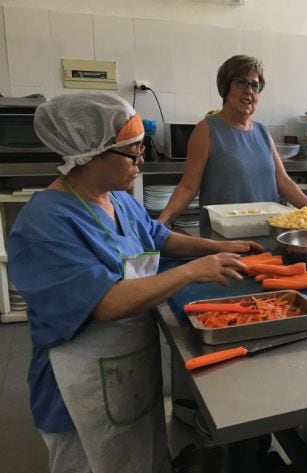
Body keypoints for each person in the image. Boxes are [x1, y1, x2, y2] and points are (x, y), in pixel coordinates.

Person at [7, 91, 264, 473]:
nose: (141, 161)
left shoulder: (118, 199)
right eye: (133, 152)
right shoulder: (46, 222)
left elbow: (157, 236)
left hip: (130, 366)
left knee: (142, 454)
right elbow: (106, 302)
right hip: (79, 382)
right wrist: (193, 270)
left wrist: (219, 245)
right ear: (90, 153)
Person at [158, 55, 307, 234]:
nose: (249, 91)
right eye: (242, 83)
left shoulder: (263, 132)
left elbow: (283, 181)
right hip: (224, 239)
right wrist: (161, 222)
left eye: (255, 85)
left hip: (267, 234)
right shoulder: (206, 130)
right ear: (225, 87)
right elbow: (188, 187)